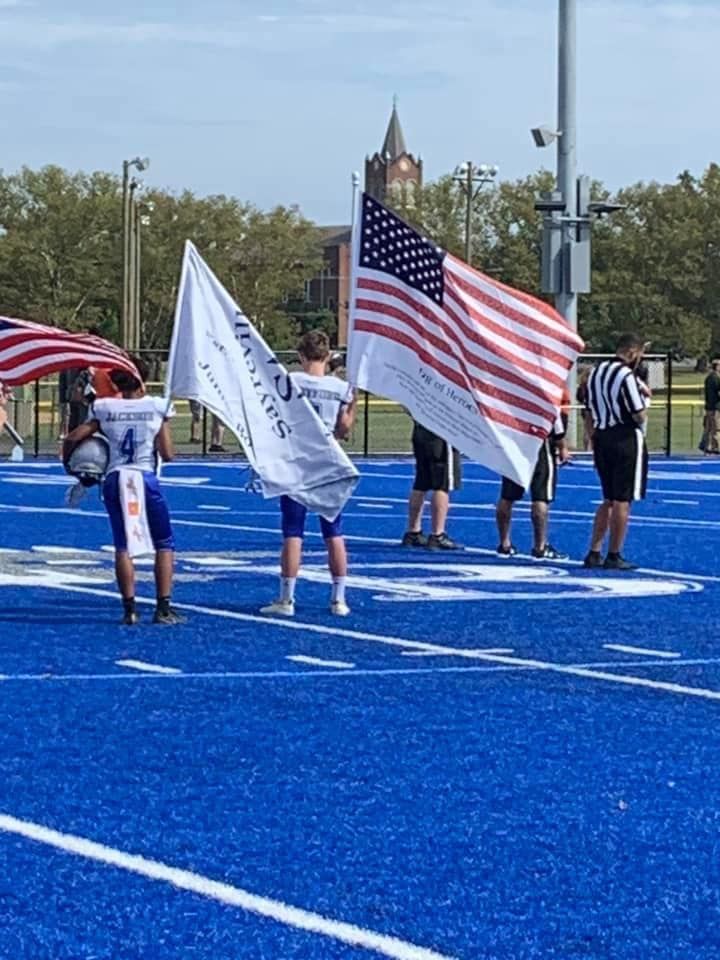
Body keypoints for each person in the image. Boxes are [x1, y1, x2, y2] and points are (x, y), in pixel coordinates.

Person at [63, 357, 184, 625]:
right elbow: (168, 454)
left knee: (122, 544)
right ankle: (163, 608)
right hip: (144, 477)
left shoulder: (105, 407)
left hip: (116, 478)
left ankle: (129, 609)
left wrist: (70, 466)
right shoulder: (157, 406)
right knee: (164, 543)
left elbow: (73, 437)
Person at [261, 330, 356, 617]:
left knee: (293, 532)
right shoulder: (339, 388)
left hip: (298, 462)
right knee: (334, 532)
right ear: (327, 356)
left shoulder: (290, 382)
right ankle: (339, 599)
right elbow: (344, 429)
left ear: (301, 356)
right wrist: (352, 405)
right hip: (328, 461)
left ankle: (286, 598)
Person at [583, 332, 648, 571]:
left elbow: (588, 411)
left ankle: (594, 550)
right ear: (632, 352)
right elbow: (637, 413)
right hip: (624, 437)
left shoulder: (595, 372)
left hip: (602, 437)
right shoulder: (625, 375)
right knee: (622, 499)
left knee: (608, 498)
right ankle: (614, 553)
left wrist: (593, 439)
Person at [495, 413, 570, 560]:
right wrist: (562, 445)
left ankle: (504, 543)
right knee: (541, 497)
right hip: (539, 442)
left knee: (507, 496)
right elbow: (554, 418)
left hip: (514, 442)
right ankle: (540, 546)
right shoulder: (545, 391)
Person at [401, 422, 461, 550]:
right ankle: (437, 534)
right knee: (442, 484)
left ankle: (413, 532)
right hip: (442, 431)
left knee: (421, 483)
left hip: (421, 429)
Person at [702, 359, 720, 454]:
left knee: (708, 428)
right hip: (714, 407)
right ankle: (715, 447)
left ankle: (706, 446)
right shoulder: (715, 378)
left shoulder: (709, 377)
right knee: (715, 428)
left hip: (709, 406)